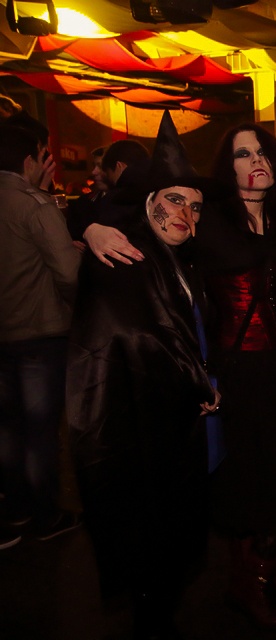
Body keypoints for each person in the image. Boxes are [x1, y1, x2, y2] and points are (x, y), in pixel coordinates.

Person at [83, 124, 276, 627]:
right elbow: (132, 209)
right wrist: (93, 227)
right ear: (228, 168)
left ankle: (265, 567)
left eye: (262, 152)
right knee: (244, 480)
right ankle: (245, 581)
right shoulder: (209, 220)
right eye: (243, 153)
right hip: (234, 370)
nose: (255, 160)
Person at [67, 111, 220, 639]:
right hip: (134, 427)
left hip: (179, 424)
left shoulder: (184, 259)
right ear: (150, 200)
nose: (185, 214)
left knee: (174, 535)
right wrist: (195, 378)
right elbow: (135, 335)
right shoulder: (123, 253)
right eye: (174, 200)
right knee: (147, 538)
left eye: (195, 207)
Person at [0, 125, 82, 550]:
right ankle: (46, 514)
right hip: (37, 331)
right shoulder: (33, 204)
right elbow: (67, 273)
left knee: (7, 427)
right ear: (30, 160)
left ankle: (15, 508)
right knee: (40, 430)